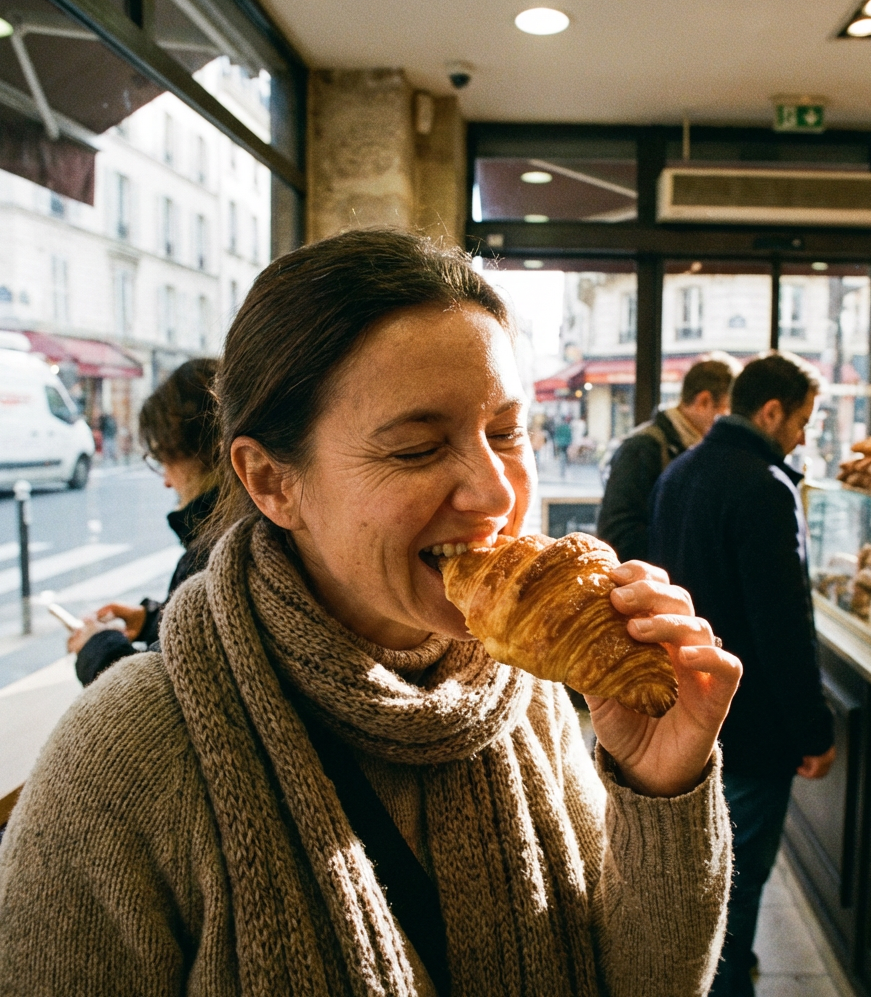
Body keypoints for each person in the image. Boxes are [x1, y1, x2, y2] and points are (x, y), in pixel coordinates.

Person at [0, 229, 742, 996]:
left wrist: (661, 789)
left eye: (506, 432)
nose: (496, 494)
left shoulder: (527, 696)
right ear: (271, 482)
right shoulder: (128, 757)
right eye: (419, 448)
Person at [649, 351, 836, 997]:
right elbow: (784, 626)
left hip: (685, 716)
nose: (804, 437)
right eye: (803, 421)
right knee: (737, 884)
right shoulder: (765, 487)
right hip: (751, 727)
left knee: (698, 876)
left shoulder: (680, 472)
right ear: (771, 410)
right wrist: (813, 731)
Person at [68, 358, 220, 686]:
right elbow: (208, 637)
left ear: (201, 455)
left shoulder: (217, 553)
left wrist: (96, 647)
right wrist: (153, 620)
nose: (166, 481)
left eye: (164, 459)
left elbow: (170, 695)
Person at [598, 356, 738, 564]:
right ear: (704, 401)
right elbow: (617, 536)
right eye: (727, 412)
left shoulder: (698, 449)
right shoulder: (644, 448)